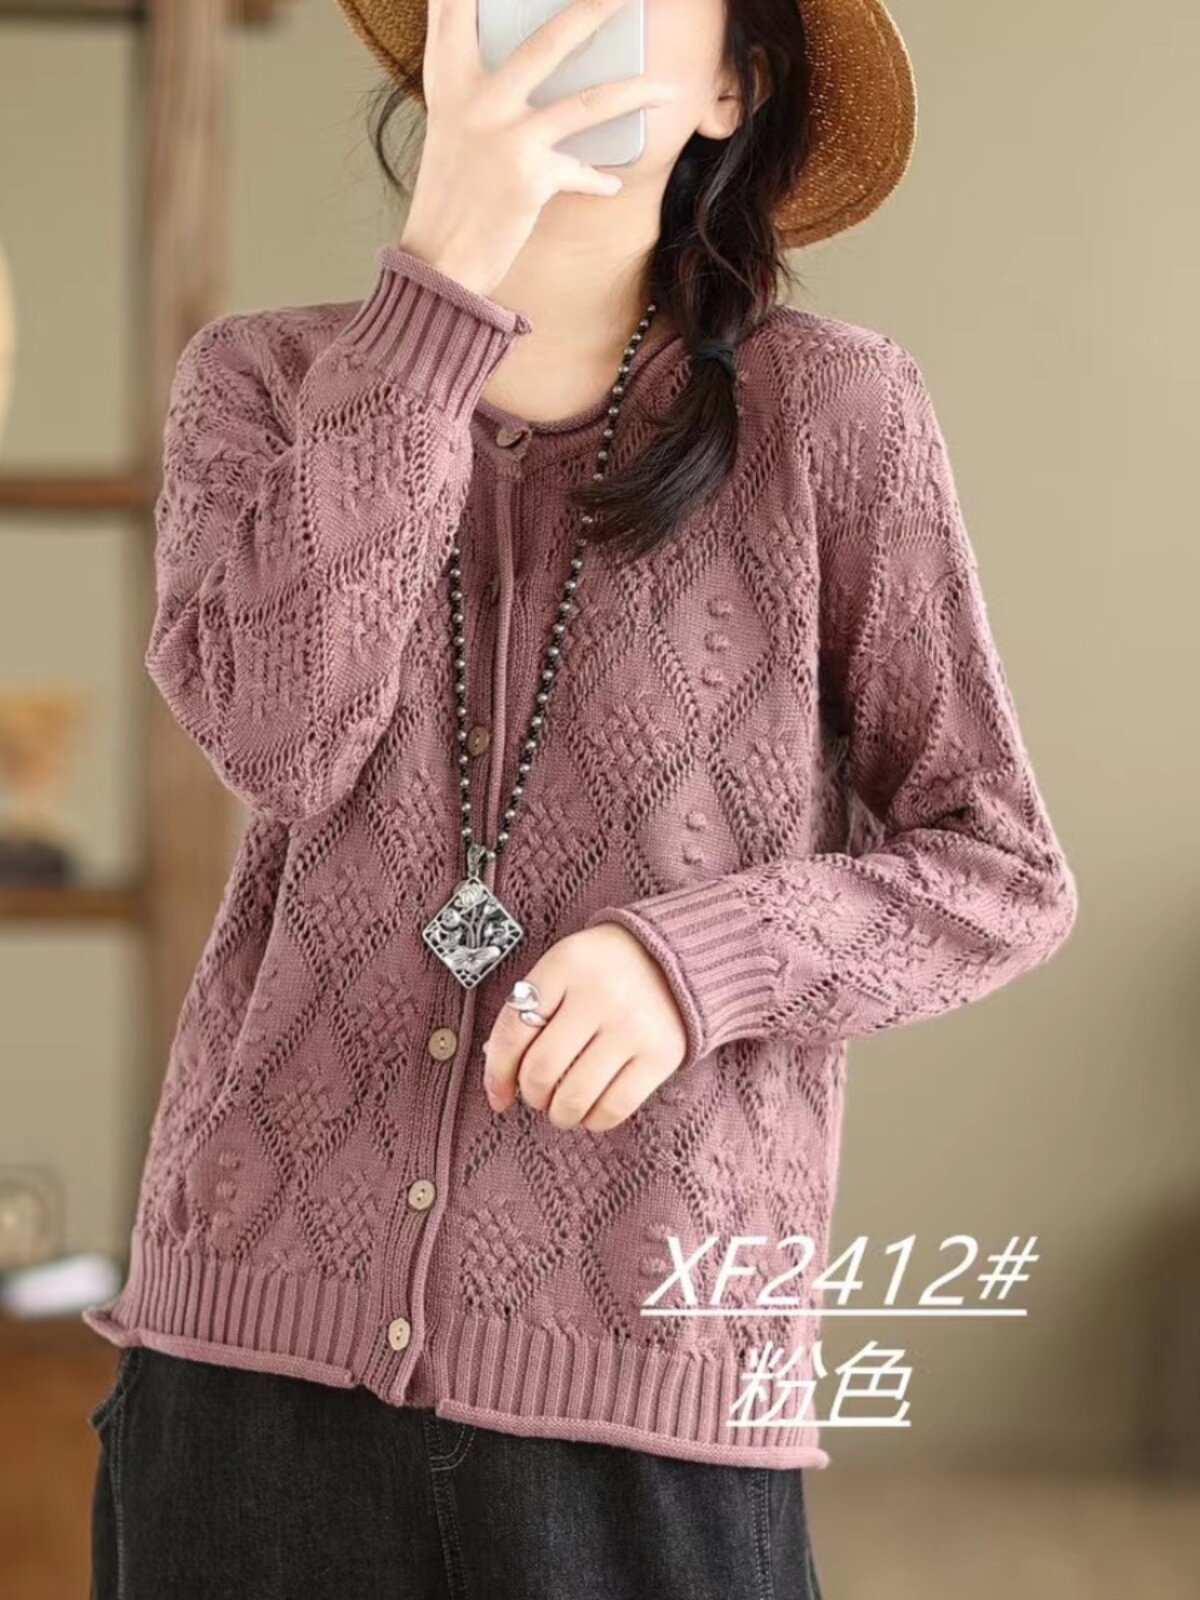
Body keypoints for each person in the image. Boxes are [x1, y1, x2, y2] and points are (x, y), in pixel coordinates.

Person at [84, 0, 1079, 1595]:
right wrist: (437, 289)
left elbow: (999, 867)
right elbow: (279, 741)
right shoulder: (264, 383)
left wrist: (698, 966)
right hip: (242, 1395)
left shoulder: (835, 416)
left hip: (655, 1406)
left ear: (732, 85)